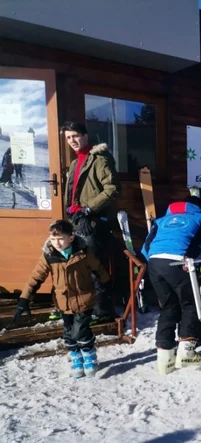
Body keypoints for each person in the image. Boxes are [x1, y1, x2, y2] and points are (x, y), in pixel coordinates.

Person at [141, 196, 201, 375]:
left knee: (168, 307)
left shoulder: (160, 221)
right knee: (189, 305)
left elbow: (145, 248)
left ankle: (165, 360)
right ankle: (185, 354)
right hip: (179, 262)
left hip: (154, 263)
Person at [13, 220, 109, 379]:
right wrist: (24, 299)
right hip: (63, 301)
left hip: (84, 299)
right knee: (69, 331)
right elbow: (36, 278)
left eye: (60, 239)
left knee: (80, 330)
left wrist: (106, 282)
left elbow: (97, 267)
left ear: (70, 238)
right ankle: (76, 356)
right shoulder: (49, 256)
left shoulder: (83, 253)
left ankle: (89, 355)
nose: (56, 243)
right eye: (53, 239)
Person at [62, 121, 120, 323]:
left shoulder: (99, 158)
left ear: (85, 136)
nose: (72, 141)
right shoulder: (75, 162)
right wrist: (72, 213)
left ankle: (104, 311)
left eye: (75, 136)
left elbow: (112, 189)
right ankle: (86, 306)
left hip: (94, 221)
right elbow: (72, 194)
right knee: (78, 267)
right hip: (77, 220)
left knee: (96, 267)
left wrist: (88, 210)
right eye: (68, 137)